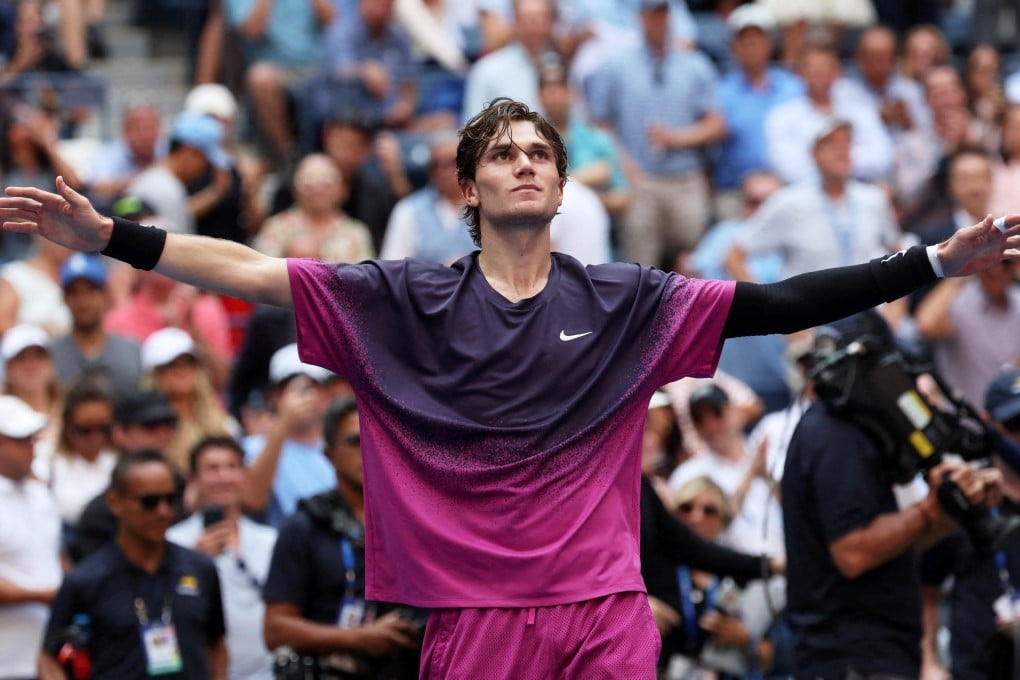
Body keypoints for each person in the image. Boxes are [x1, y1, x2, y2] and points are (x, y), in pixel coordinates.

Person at [2, 95, 1019, 678]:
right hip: (474, 616)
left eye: (540, 153)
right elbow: (254, 271)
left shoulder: (627, 301)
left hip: (605, 607)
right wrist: (111, 237)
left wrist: (931, 259)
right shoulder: (404, 300)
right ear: (469, 185)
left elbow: (785, 299)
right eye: (502, 154)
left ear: (563, 185)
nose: (524, 164)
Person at [782, 311, 1003, 679]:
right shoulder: (836, 436)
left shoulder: (852, 431)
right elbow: (853, 552)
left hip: (874, 652)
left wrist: (959, 506)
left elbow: (893, 545)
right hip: (853, 657)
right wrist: (928, 508)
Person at [263, 395, 422, 679]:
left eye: (377, 439)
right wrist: (360, 638)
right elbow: (275, 629)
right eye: (354, 441)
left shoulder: (414, 521)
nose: (367, 449)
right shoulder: (304, 526)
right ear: (328, 453)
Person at [40, 449, 227, 679]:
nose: (163, 511)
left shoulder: (200, 569)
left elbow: (216, 644)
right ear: (115, 502)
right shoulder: (86, 579)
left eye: (171, 499)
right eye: (149, 502)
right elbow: (49, 656)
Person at [167, 436, 278, 680]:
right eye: (212, 468)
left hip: (270, 672)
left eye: (232, 467)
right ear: (193, 480)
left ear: (244, 475)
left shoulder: (271, 540)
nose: (224, 477)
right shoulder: (173, 542)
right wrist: (193, 563)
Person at [0, 395, 61, 680]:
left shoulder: (40, 493)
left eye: (33, 439)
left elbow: (55, 556)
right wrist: (43, 595)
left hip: (46, 655)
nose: (31, 447)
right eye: (20, 439)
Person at [50, 252, 143, 399]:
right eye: (74, 293)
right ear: (64, 299)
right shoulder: (50, 354)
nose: (83, 301)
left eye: (91, 291)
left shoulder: (132, 351)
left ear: (105, 295)